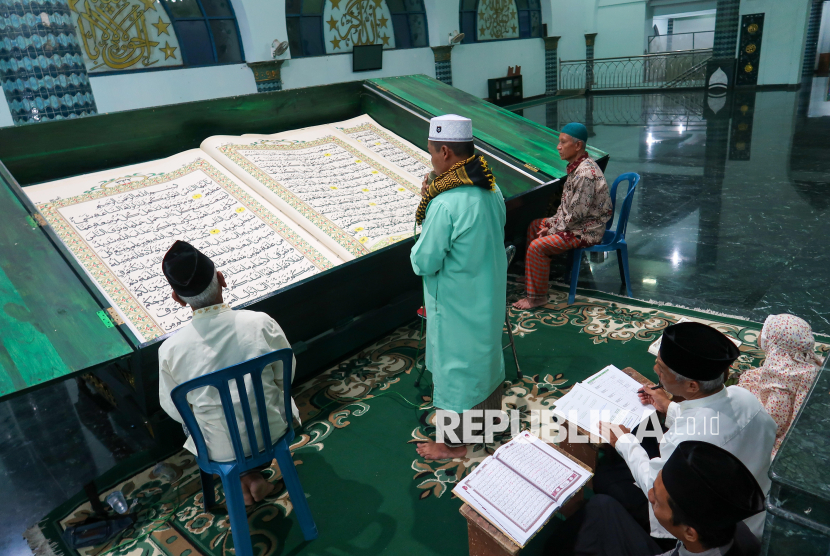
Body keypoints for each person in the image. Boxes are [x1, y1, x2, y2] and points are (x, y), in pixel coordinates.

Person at [597, 322, 776, 541]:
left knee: (606, 478)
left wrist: (624, 441)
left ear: (692, 386)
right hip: (754, 508)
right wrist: (669, 407)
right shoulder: (745, 397)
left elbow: (655, 489)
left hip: (708, 529)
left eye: (661, 369)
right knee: (650, 436)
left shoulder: (686, 441)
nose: (655, 370)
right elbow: (714, 421)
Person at [158, 240, 296, 505]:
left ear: (176, 299)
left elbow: (174, 410)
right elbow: (286, 376)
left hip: (219, 450)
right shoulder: (260, 322)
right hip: (274, 429)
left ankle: (244, 482)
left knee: (198, 417)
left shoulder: (170, 350)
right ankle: (254, 479)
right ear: (221, 279)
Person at [411, 114, 507, 461]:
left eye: (433, 153)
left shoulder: (446, 203)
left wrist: (426, 214)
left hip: (456, 304)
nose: (432, 160)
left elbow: (424, 261)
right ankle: (487, 422)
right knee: (484, 360)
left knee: (457, 372)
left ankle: (453, 444)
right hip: (488, 295)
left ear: (447, 152)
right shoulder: (491, 188)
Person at [556, 441, 766, 556]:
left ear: (689, 532)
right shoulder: (737, 529)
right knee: (603, 505)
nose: (649, 496)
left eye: (656, 499)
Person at [513, 122, 612, 310]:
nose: (558, 147)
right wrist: (550, 224)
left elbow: (575, 216)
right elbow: (565, 208)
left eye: (563, 142)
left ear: (578, 146)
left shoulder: (584, 174)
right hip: (575, 224)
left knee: (537, 246)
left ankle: (537, 298)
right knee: (535, 225)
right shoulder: (576, 167)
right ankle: (532, 276)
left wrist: (551, 228)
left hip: (585, 231)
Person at [738, 314, 823, 457]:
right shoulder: (802, 358)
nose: (759, 335)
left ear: (775, 343)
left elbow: (774, 422)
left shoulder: (781, 380)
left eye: (763, 332)